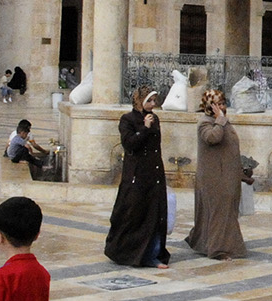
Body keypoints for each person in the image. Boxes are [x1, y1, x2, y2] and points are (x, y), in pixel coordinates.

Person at [104, 87, 170, 268]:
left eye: (154, 101)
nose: (153, 105)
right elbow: (130, 144)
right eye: (149, 101)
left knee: (156, 215)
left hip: (154, 174)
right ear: (140, 101)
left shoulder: (154, 118)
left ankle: (153, 254)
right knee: (133, 215)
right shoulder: (128, 120)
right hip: (137, 176)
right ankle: (126, 252)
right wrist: (145, 128)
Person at [185, 87, 247, 260]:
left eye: (223, 103)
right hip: (215, 178)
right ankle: (218, 249)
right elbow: (212, 138)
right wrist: (219, 120)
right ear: (209, 106)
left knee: (226, 213)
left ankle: (212, 243)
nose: (222, 107)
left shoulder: (222, 120)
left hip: (227, 175)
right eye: (217, 104)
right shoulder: (205, 122)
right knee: (218, 214)